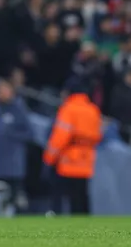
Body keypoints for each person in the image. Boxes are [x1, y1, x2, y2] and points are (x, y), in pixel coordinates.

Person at [42, 77, 103, 215]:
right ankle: (86, 232)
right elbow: (98, 136)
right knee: (81, 201)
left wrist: (48, 158)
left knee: (58, 200)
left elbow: (60, 138)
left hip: (67, 162)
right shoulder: (93, 110)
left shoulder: (68, 109)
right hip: (86, 162)